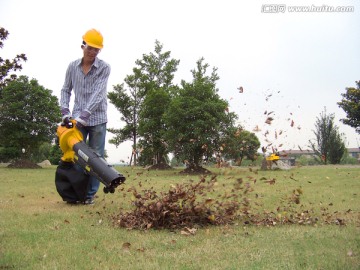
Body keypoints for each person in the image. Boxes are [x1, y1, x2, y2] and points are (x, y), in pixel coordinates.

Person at [60, 28, 111, 204]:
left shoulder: (104, 68)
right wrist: (65, 112)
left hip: (97, 118)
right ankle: (76, 194)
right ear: (83, 45)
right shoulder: (72, 67)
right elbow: (66, 89)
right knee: (78, 156)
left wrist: (85, 115)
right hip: (76, 120)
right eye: (90, 48)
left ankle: (89, 195)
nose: (92, 52)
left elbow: (99, 94)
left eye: (96, 49)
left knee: (95, 157)